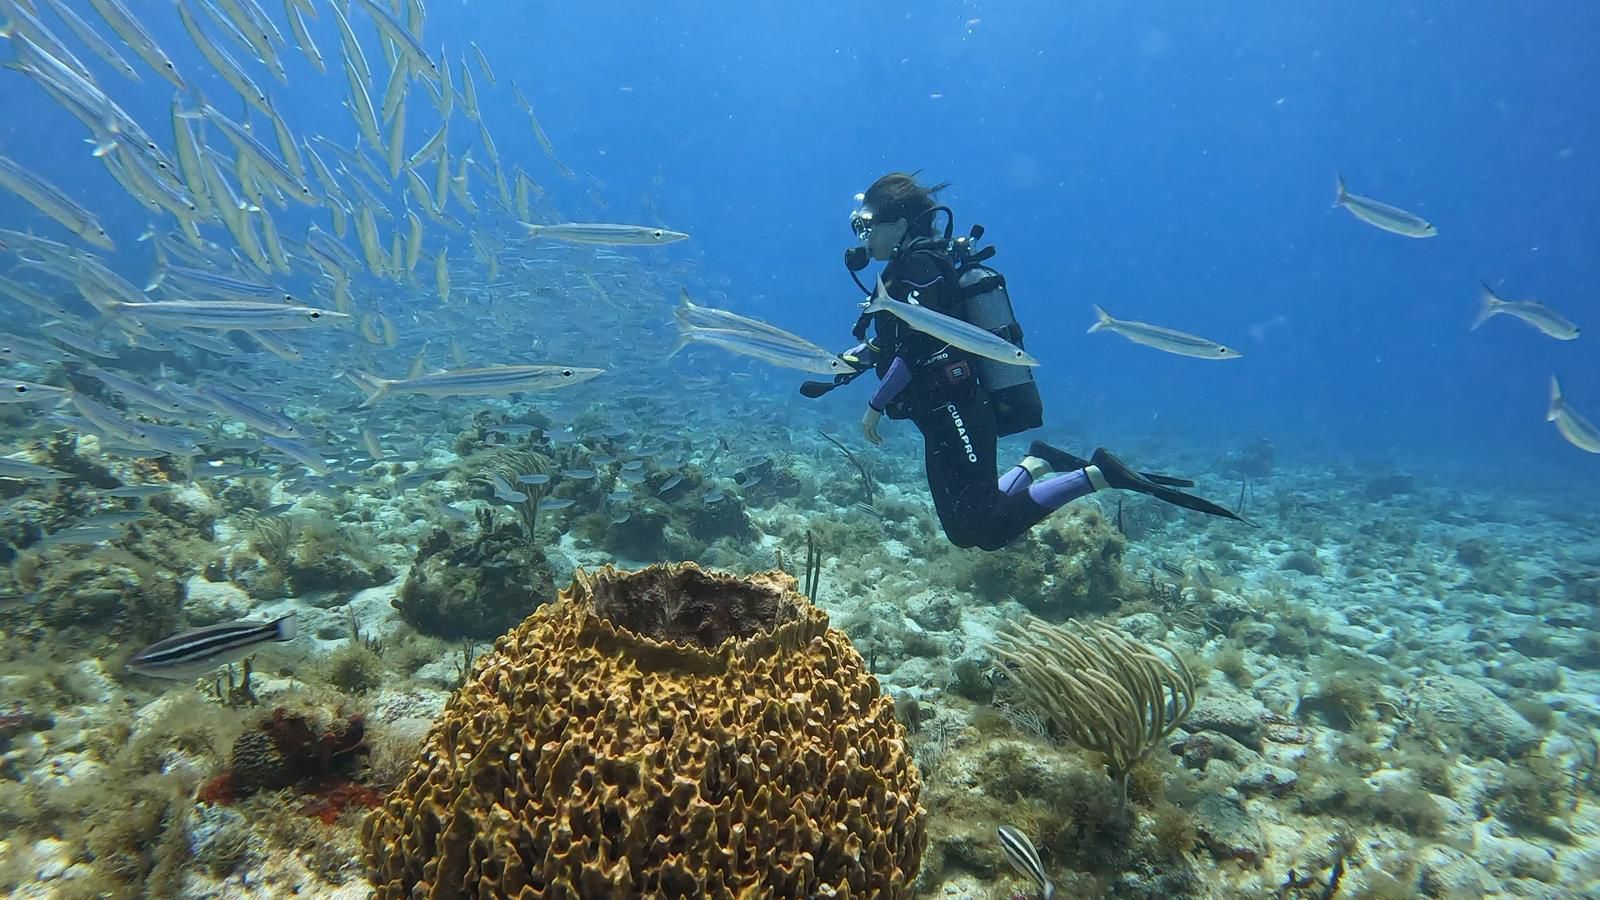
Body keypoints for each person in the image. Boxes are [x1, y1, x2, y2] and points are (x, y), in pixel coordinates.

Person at [807, 172, 1241, 551]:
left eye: (867, 226)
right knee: (968, 527)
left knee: (985, 528)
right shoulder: (908, 269)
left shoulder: (920, 266)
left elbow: (920, 343)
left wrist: (876, 405)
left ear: (899, 224)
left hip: (957, 408)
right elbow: (894, 341)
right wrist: (848, 364)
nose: (863, 238)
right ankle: (1036, 463)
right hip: (939, 411)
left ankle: (1099, 475)